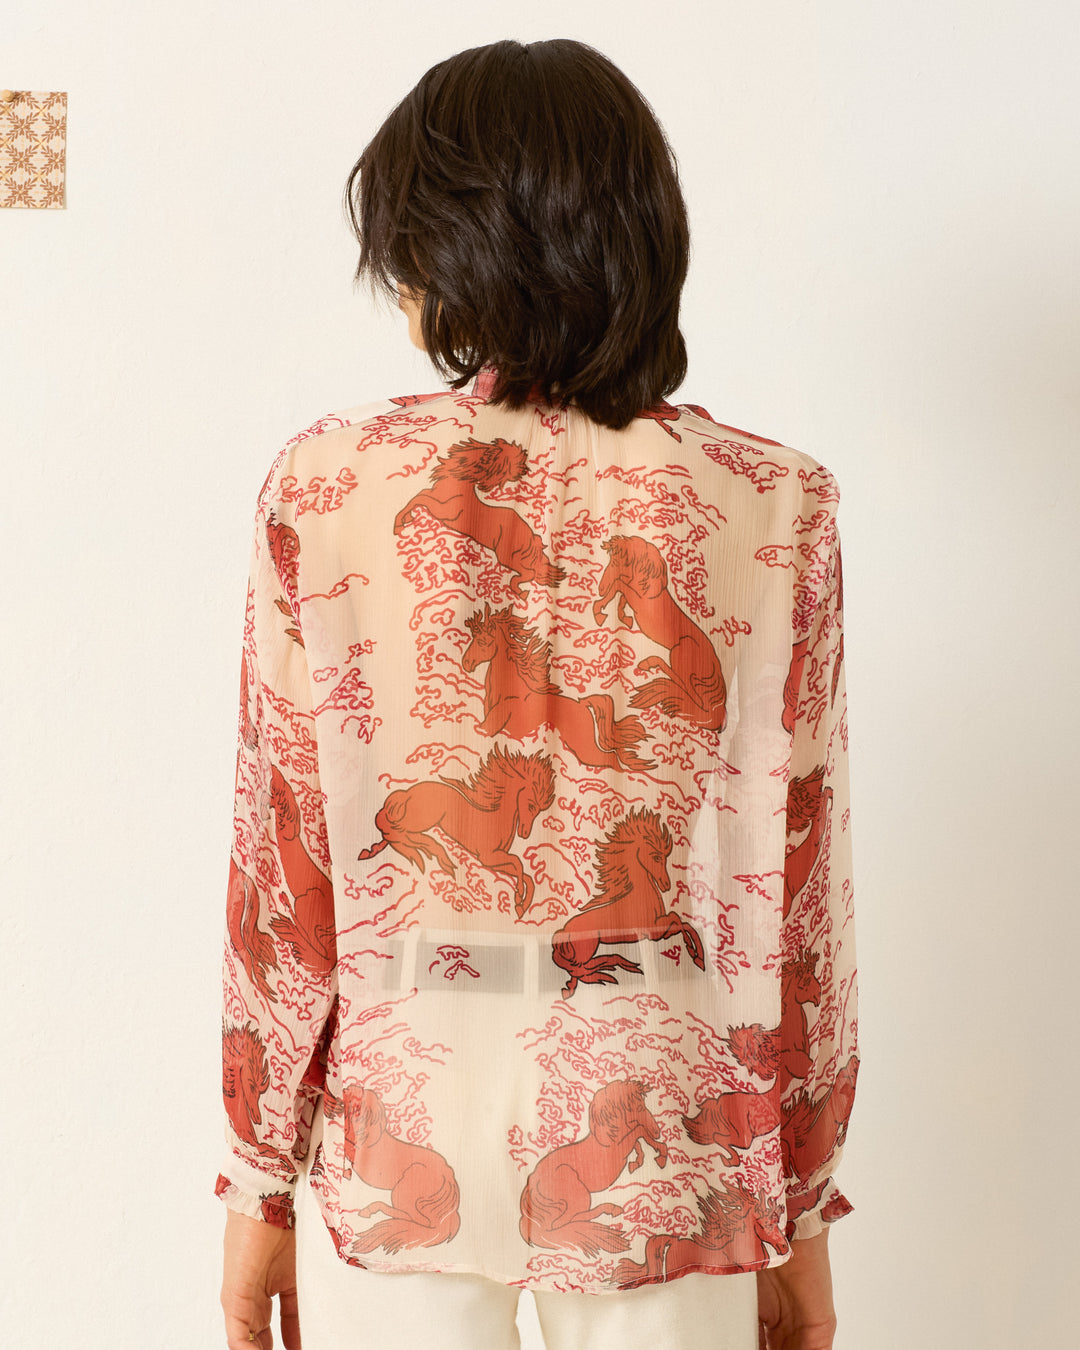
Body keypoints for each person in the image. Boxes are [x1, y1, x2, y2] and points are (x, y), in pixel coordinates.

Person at [216, 37, 858, 1350]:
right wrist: (798, 1203)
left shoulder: (329, 486)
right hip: (661, 1139)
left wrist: (254, 1175)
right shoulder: (772, 500)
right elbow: (792, 898)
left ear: (444, 247)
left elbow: (285, 877)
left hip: (398, 1129)